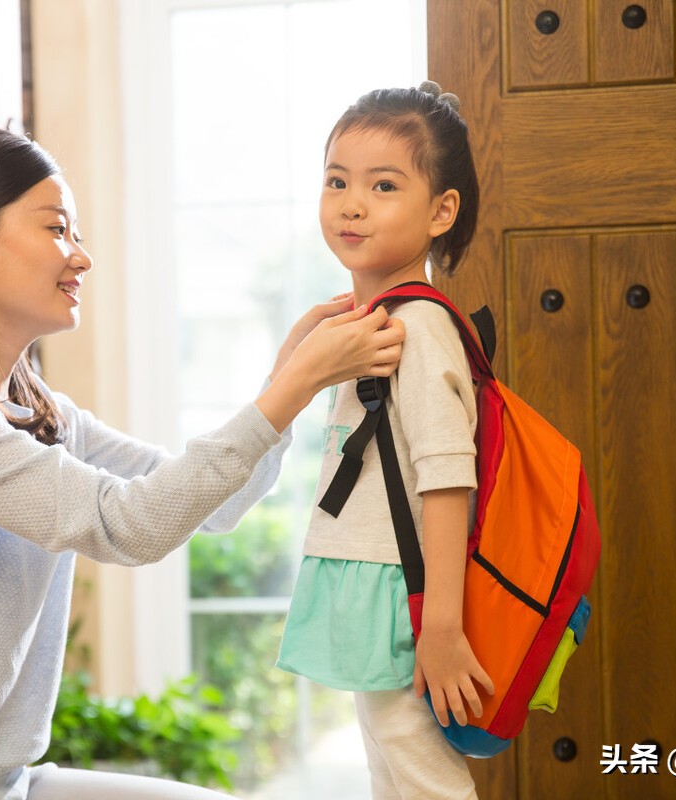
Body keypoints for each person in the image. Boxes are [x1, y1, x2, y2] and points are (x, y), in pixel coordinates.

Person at [0, 127, 405, 800]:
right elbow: (128, 525)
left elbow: (216, 505)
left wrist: (286, 383)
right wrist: (294, 389)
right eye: (57, 229)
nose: (81, 256)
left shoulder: (40, 410)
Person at [274, 82, 494, 799]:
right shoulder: (375, 322)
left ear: (441, 211)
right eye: (336, 181)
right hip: (379, 578)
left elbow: (446, 475)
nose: (351, 203)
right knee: (391, 772)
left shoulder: (418, 327)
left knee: (421, 776)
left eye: (383, 184)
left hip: (406, 589)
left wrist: (440, 625)